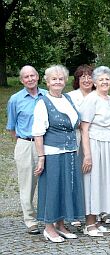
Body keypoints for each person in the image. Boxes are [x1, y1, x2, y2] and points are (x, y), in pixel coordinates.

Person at [32, 65, 84, 242]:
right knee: (52, 189)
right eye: (53, 79)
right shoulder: (42, 102)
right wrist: (41, 158)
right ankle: (48, 226)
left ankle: (61, 224)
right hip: (52, 153)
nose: (57, 81)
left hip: (70, 151)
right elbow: (38, 133)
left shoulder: (68, 98)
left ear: (65, 81)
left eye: (61, 78)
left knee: (66, 187)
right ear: (46, 82)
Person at [80, 66, 110, 237]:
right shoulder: (91, 99)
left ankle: (98, 220)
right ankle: (89, 223)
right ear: (95, 82)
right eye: (101, 79)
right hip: (95, 144)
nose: (105, 82)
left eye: (107, 79)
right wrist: (88, 155)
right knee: (93, 182)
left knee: (105, 182)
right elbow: (84, 128)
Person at [6, 65, 47, 235]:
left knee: (47, 183)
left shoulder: (47, 95)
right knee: (27, 185)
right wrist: (25, 140)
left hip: (46, 143)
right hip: (26, 144)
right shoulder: (15, 99)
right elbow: (12, 127)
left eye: (32, 75)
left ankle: (49, 218)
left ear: (38, 77)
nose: (30, 79)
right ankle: (30, 221)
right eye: (26, 77)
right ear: (22, 80)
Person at [67, 64, 94, 228]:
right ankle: (76, 212)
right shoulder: (70, 97)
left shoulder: (98, 95)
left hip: (95, 140)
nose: (86, 79)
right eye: (82, 76)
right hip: (76, 140)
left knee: (93, 177)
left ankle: (95, 211)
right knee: (76, 176)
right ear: (77, 80)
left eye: (89, 76)